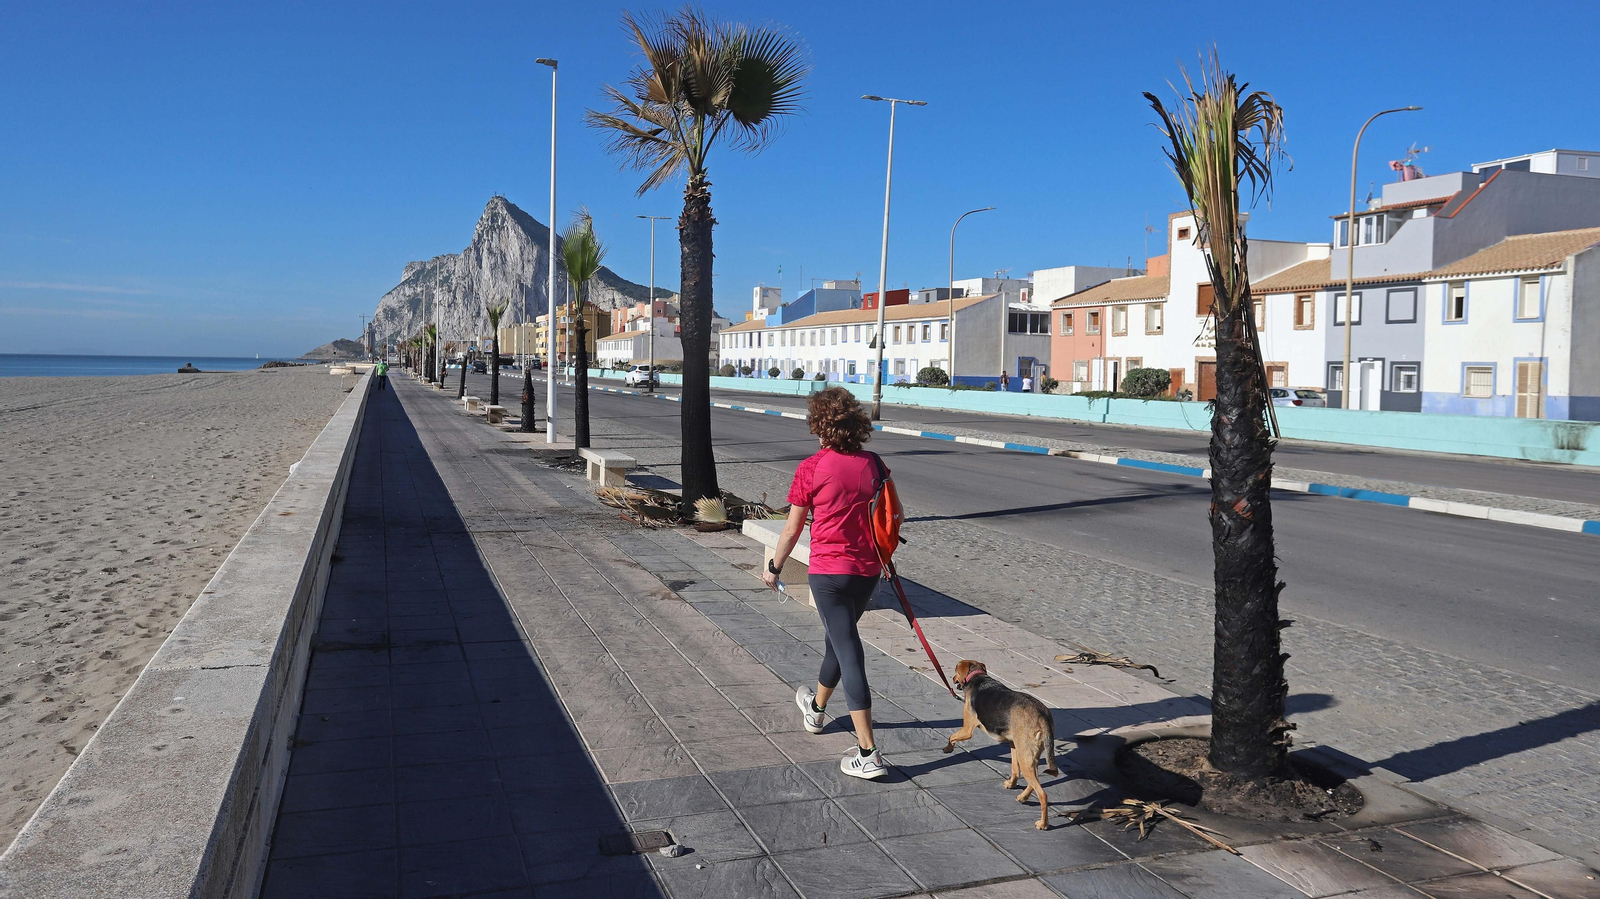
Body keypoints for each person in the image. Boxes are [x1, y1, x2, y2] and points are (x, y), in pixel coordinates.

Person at [763, 387, 889, 780]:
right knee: (839, 637)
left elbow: (791, 528)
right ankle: (816, 710)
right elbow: (887, 514)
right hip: (867, 570)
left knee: (848, 648)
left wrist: (774, 566)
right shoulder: (874, 464)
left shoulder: (812, 467)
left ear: (820, 427)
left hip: (829, 572)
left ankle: (868, 751)